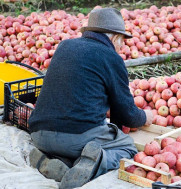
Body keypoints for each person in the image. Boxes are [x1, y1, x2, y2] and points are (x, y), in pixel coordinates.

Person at [28, 7, 153, 189]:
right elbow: (128, 115)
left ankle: (60, 164)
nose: (122, 47)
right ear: (114, 38)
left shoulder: (65, 46)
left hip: (38, 135)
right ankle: (95, 164)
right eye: (122, 41)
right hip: (74, 138)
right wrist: (144, 117)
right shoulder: (111, 57)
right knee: (127, 147)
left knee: (81, 142)